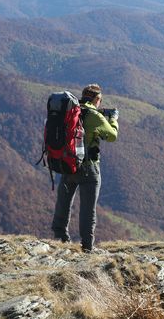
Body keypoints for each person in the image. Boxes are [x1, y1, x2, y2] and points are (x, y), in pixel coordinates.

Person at [51, 83, 119, 252]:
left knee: (64, 202)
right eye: (100, 101)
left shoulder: (72, 110)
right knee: (88, 209)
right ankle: (87, 246)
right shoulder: (95, 116)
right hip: (89, 168)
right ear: (97, 99)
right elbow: (112, 136)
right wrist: (113, 119)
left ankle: (60, 238)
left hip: (68, 163)